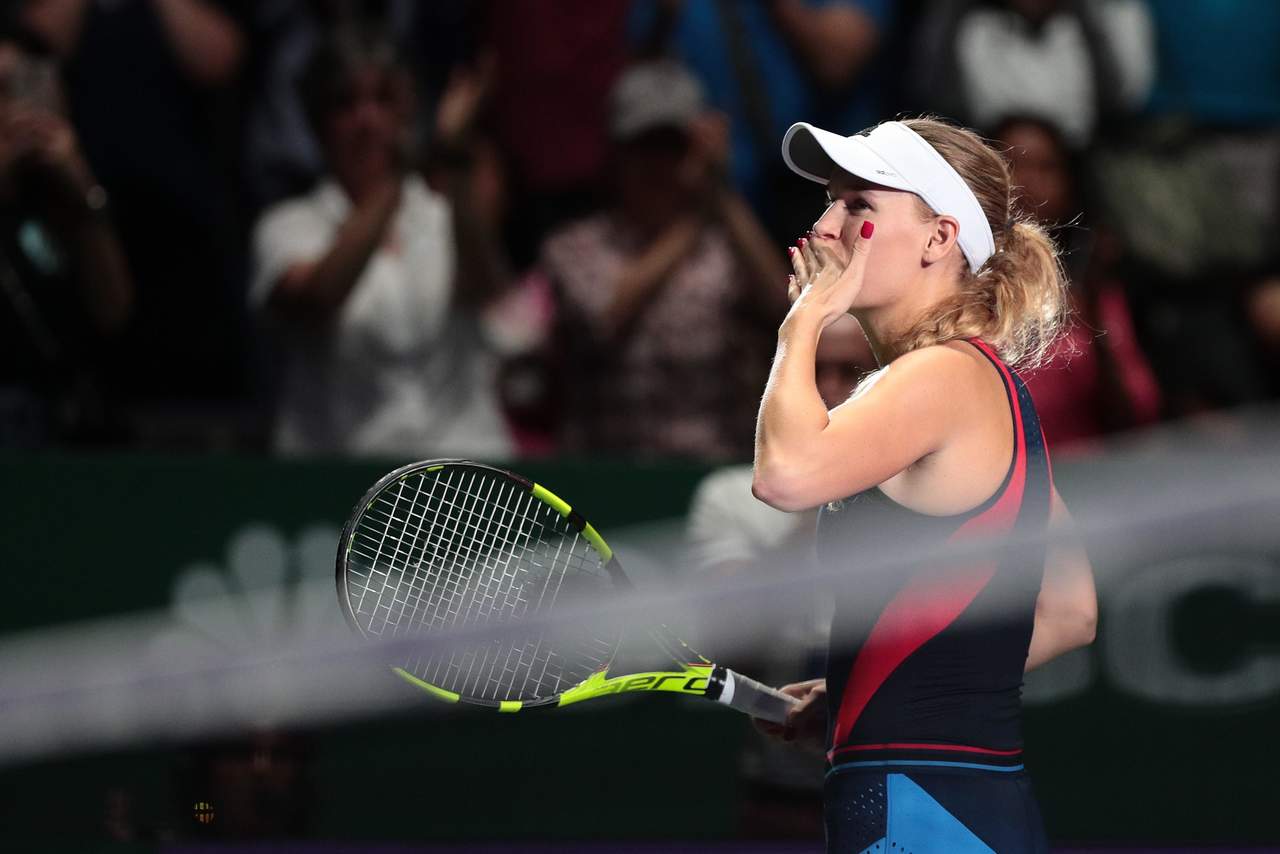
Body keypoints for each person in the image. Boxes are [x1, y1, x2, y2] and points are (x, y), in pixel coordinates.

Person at [751, 116, 1097, 851]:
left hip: (919, 809)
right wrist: (874, 694)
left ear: (939, 239)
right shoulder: (984, 385)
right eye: (829, 201)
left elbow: (784, 475)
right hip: (962, 806)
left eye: (857, 206)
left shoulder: (937, 377)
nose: (823, 226)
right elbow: (1072, 610)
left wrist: (801, 324)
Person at [249, 29, 512, 457]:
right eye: (346, 103)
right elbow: (316, 297)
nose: (367, 119)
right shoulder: (287, 225)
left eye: (384, 99)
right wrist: (401, 171)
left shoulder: (443, 216)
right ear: (318, 125)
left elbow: (483, 285)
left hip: (467, 474)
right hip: (340, 477)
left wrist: (455, 154)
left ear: (407, 112)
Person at [540, 59, 789, 459]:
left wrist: (721, 191)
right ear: (617, 153)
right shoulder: (574, 245)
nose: (658, 165)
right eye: (644, 146)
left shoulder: (729, 244)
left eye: (671, 147)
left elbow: (786, 310)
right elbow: (605, 314)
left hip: (715, 465)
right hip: (607, 471)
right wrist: (696, 219)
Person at [687, 314, 875, 839]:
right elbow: (732, 642)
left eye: (853, 371)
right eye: (817, 372)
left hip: (903, 794)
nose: (833, 391)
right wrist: (827, 492)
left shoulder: (930, 491)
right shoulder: (728, 497)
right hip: (782, 805)